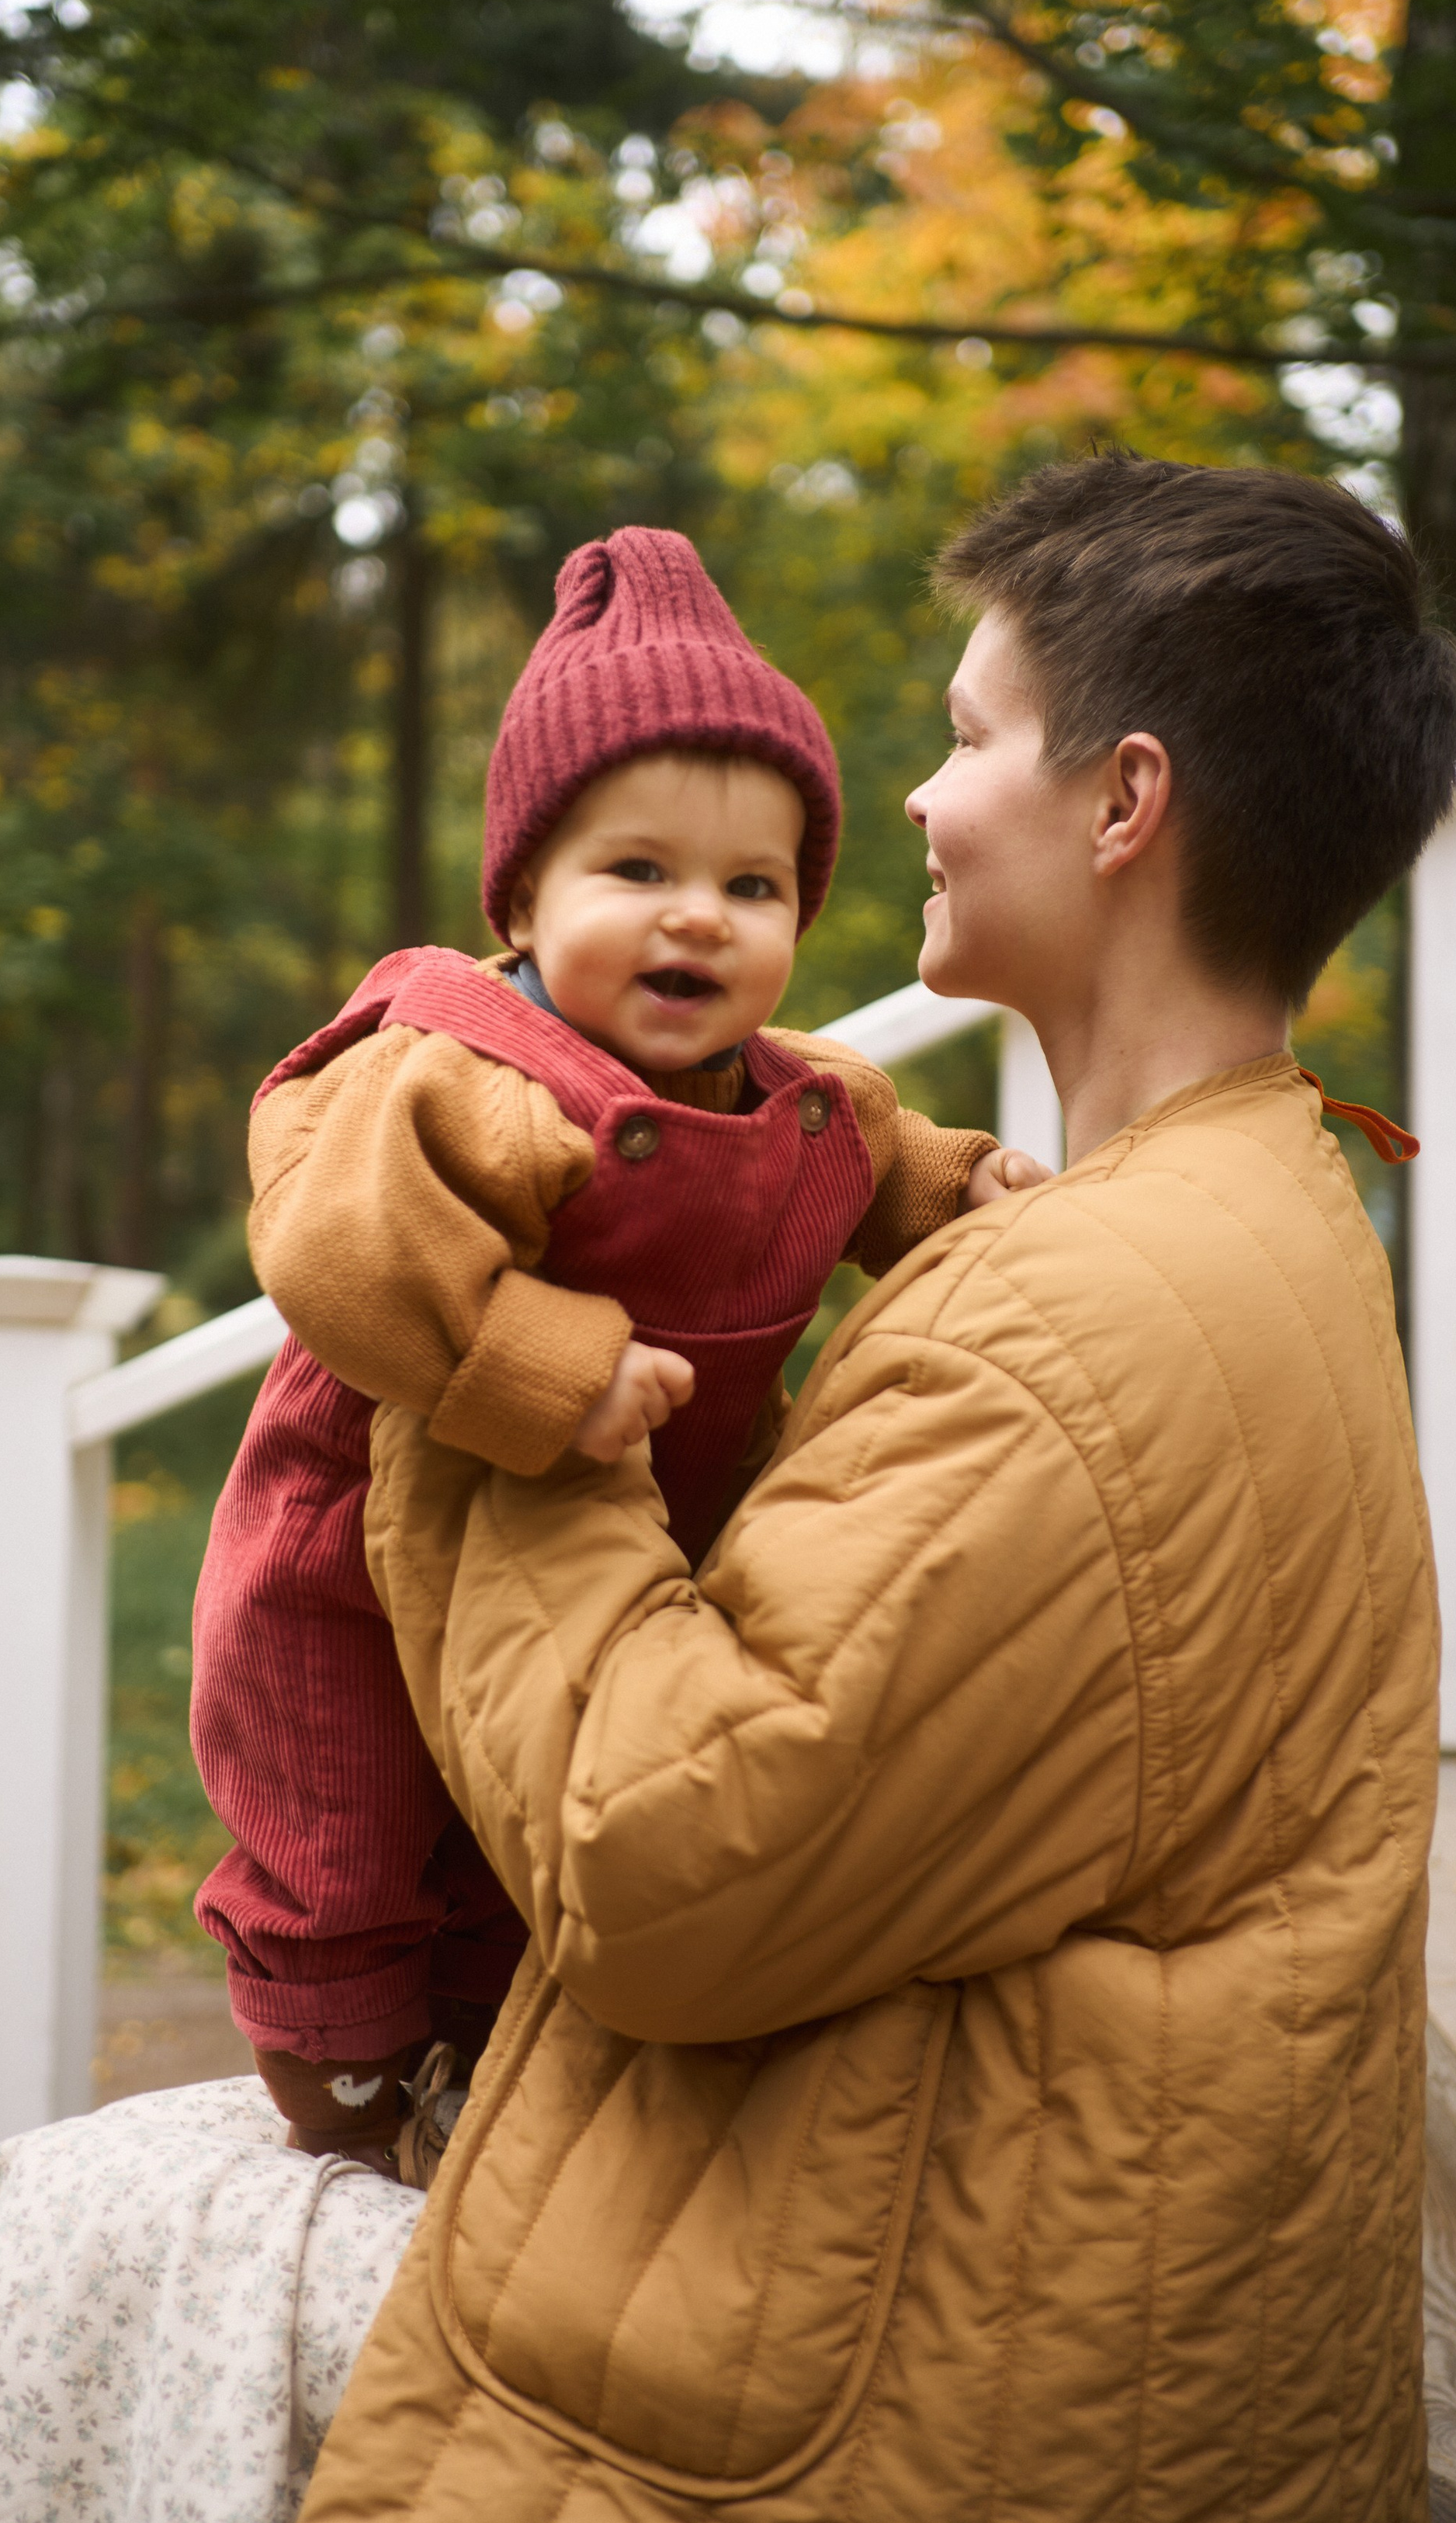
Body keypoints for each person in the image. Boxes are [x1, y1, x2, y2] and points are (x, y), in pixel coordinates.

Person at [290, 454, 1456, 2523]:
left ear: (1123, 806)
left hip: (925, 2398)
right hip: (1053, 2295)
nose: (913, 803)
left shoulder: (1073, 1330)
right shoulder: (1249, 1199)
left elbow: (661, 1859)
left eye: (962, 737)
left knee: (61, 2235)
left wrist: (512, 1381)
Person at [190, 525, 1032, 2178]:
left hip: (610, 1549)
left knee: (538, 1818)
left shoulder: (802, 1096)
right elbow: (339, 1247)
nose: (697, 921)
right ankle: (340, 2068)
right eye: (634, 873)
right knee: (347, 1812)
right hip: (355, 1539)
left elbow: (879, 1157)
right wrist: (536, 1359)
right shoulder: (471, 1071)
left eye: (751, 886)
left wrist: (962, 1186)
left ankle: (494, 2060)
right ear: (519, 895)